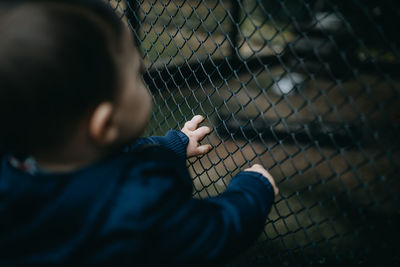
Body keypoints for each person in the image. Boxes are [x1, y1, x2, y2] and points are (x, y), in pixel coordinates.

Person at [0, 0, 279, 265]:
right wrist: (253, 190)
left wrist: (175, 144)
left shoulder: (14, 175)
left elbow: (113, 156)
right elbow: (215, 231)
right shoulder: (139, 205)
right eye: (136, 75)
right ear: (105, 124)